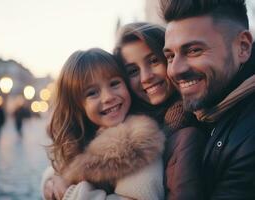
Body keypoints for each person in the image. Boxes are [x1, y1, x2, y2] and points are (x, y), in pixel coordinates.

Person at [161, 0, 255, 199]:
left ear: (243, 47)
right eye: (170, 56)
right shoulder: (204, 112)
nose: (175, 70)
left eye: (194, 50)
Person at [42, 48, 165, 200]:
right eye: (92, 93)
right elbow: (59, 169)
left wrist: (71, 194)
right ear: (76, 105)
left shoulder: (139, 144)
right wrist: (50, 182)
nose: (108, 97)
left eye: (114, 84)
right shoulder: (81, 136)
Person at [114, 22, 207, 200]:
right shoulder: (121, 123)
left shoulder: (199, 116)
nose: (146, 77)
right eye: (133, 71)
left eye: (154, 61)